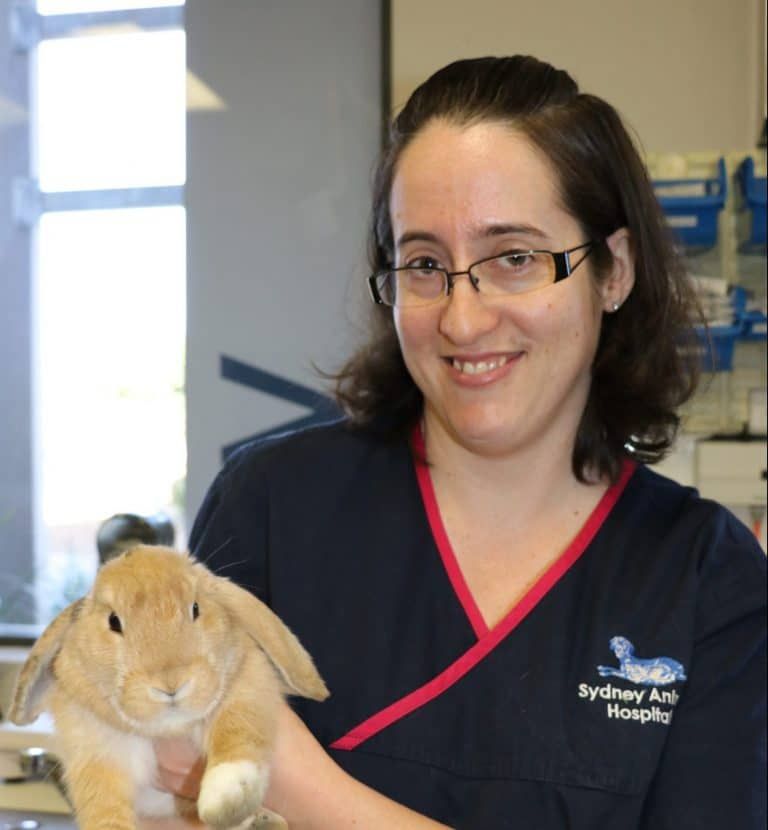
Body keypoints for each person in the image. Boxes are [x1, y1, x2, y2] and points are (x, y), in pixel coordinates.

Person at [153, 55, 767, 828]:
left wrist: (298, 785)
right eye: (424, 264)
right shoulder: (272, 509)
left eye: (514, 258)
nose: (462, 319)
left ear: (612, 272)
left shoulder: (704, 579)